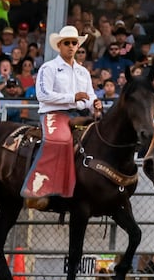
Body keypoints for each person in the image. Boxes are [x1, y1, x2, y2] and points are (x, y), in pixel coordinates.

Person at [24, 25, 101, 209]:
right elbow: (43, 95)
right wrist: (72, 98)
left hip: (80, 114)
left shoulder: (83, 72)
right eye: (67, 43)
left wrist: (95, 103)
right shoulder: (48, 68)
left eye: (74, 43)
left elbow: (90, 95)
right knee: (59, 140)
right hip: (54, 113)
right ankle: (39, 189)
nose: (71, 46)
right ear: (59, 45)